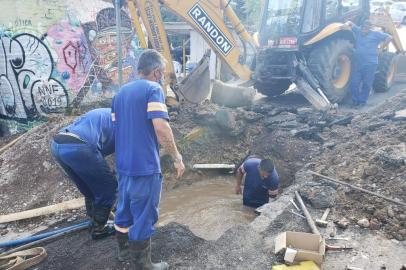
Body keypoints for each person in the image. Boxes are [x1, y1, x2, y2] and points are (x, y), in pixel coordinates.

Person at [112, 49, 185, 269]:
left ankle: (124, 252)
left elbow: (118, 126)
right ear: (156, 72)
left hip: (123, 164)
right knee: (145, 213)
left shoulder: (120, 94)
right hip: (144, 166)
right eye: (162, 72)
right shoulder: (153, 89)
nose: (162, 76)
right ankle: (144, 265)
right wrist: (176, 157)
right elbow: (161, 127)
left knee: (124, 209)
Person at [50, 108, 116, 239]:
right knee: (109, 188)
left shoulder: (108, 112)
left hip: (57, 144)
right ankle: (99, 229)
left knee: (89, 187)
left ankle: (93, 220)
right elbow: (124, 161)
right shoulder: (127, 122)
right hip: (79, 147)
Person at [345, 20, 392, 107]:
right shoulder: (358, 30)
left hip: (371, 63)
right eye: (363, 27)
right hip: (358, 63)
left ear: (370, 28)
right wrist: (346, 24)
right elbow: (350, 22)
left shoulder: (376, 34)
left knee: (367, 83)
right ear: (361, 27)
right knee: (354, 83)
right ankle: (356, 100)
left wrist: (381, 48)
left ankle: (362, 101)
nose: (364, 29)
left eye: (366, 28)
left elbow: (389, 37)